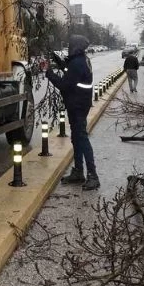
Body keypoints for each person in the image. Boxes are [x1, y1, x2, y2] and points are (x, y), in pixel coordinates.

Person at [47, 34, 98, 191]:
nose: (69, 48)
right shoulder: (82, 60)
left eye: (70, 45)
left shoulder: (77, 63)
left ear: (76, 47)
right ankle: (78, 172)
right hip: (79, 104)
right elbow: (69, 70)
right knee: (76, 138)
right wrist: (57, 60)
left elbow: (64, 84)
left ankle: (93, 176)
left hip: (77, 105)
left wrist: (49, 74)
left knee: (81, 138)